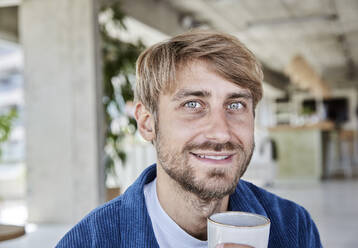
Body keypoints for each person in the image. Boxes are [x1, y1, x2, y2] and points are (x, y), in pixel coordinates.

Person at [56, 30, 322, 248]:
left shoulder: (294, 227)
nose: (220, 132)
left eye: (236, 105)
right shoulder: (89, 242)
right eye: (193, 105)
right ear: (148, 122)